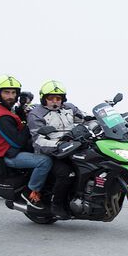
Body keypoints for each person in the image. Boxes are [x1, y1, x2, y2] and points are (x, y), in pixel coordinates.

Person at [0, 75, 52, 210]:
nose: (11, 96)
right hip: (6, 155)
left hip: (0, 149)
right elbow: (17, 141)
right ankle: (30, 195)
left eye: (14, 93)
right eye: (6, 92)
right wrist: (28, 122)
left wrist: (20, 113)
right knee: (45, 161)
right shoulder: (1, 116)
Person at [28, 81, 85, 219]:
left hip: (72, 147)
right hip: (52, 153)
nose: (55, 101)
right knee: (67, 173)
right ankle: (56, 204)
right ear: (44, 98)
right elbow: (38, 141)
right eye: (51, 98)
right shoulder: (36, 114)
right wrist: (58, 145)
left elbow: (83, 120)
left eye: (58, 98)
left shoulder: (70, 108)